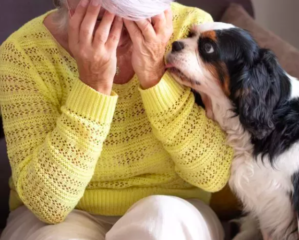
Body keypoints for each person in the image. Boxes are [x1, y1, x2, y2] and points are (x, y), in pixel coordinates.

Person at [0, 0, 233, 239]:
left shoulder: (192, 31)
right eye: (101, 19)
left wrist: (155, 77)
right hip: (64, 216)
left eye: (135, 17)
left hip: (175, 206)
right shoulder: (23, 52)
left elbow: (213, 175)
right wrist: (93, 85)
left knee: (162, 221)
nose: (117, 31)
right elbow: (48, 206)